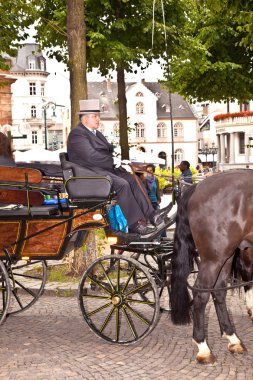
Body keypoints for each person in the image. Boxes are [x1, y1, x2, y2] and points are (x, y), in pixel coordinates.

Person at [67, 99, 171, 235]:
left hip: (102, 169)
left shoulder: (95, 133)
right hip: (89, 174)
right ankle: (135, 224)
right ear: (85, 118)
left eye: (98, 115)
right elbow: (91, 156)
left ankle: (152, 215)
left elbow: (108, 149)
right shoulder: (77, 134)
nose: (98, 119)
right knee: (122, 184)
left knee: (133, 179)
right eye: (95, 116)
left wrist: (119, 157)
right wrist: (112, 161)